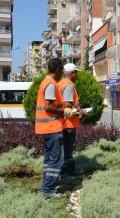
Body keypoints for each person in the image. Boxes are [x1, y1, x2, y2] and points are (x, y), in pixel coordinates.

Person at [35, 58, 72, 199]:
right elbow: (48, 106)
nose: (62, 73)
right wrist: (64, 112)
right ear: (57, 70)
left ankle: (47, 186)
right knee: (56, 159)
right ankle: (47, 190)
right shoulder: (50, 84)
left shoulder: (46, 82)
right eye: (62, 71)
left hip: (46, 127)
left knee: (49, 160)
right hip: (51, 127)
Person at [58, 63, 87, 181]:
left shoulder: (60, 83)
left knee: (66, 149)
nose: (77, 75)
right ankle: (66, 173)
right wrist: (81, 112)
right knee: (68, 149)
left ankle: (69, 170)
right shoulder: (68, 85)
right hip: (68, 123)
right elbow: (67, 104)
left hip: (63, 122)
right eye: (76, 72)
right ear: (71, 73)